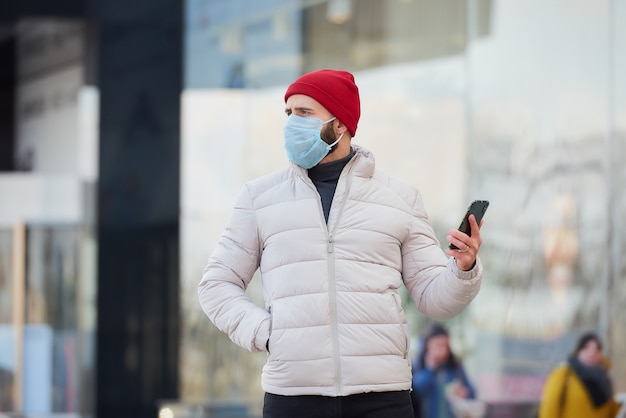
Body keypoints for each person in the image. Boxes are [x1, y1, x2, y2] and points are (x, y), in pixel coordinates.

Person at [198, 69, 485, 418]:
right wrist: (268, 334)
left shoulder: (400, 199)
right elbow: (216, 285)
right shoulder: (259, 199)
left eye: (304, 113)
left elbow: (435, 299)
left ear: (340, 124)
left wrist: (463, 268)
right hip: (293, 396)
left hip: (383, 396)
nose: (292, 123)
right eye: (288, 113)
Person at [538, 332, 621, 418]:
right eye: (586, 348)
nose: (592, 353)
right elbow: (550, 406)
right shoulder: (564, 374)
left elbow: (613, 410)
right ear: (579, 351)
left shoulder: (604, 378)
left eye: (597, 349)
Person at [411, 323, 479, 418]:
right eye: (438, 345)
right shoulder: (417, 366)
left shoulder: (455, 366)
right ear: (427, 345)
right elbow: (415, 394)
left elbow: (472, 393)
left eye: (445, 346)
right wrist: (430, 369)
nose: (442, 351)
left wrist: (464, 393)